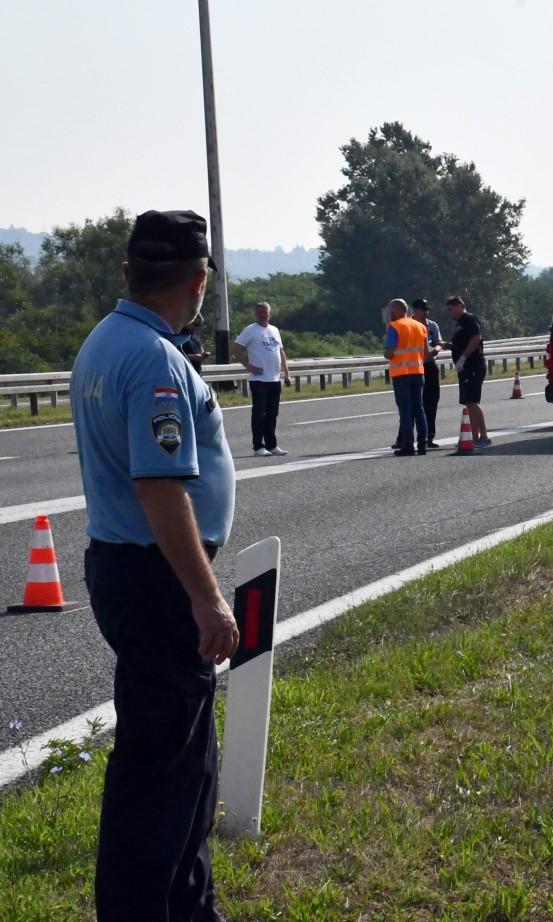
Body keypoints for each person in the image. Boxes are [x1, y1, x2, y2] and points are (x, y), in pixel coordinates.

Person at [69, 209, 239, 922]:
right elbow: (160, 487)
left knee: (186, 763)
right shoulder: (154, 360)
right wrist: (206, 599)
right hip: (158, 577)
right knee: (160, 773)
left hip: (128, 568)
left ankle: (188, 908)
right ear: (198, 280)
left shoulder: (107, 341)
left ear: (128, 273)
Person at [233, 301, 290, 456]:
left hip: (274, 379)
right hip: (259, 380)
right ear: (255, 314)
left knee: (272, 414)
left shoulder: (274, 330)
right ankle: (258, 446)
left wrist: (287, 373)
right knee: (259, 413)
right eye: (259, 312)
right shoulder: (250, 330)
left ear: (269, 313)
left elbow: (281, 352)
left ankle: (272, 445)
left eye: (264, 311)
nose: (262, 314)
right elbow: (236, 348)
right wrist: (248, 366)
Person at [385, 298, 429, 455]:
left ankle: (408, 445)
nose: (389, 314)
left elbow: (390, 352)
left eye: (391, 311)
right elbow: (426, 353)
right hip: (418, 371)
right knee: (419, 409)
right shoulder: (420, 326)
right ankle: (423, 445)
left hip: (401, 374)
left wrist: (387, 353)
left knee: (405, 411)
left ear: (396, 310)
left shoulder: (394, 326)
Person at [446, 295, 490, 449]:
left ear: (460, 305)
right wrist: (449, 346)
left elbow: (476, 338)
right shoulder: (460, 323)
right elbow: (461, 342)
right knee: (469, 402)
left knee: (472, 401)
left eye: (451, 309)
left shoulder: (469, 319)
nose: (450, 313)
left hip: (473, 365)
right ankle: (475, 435)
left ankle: (483, 435)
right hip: (466, 367)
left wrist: (463, 357)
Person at [411, 298, 443, 447]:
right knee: (412, 404)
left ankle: (429, 436)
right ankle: (405, 437)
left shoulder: (432, 325)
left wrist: (436, 349)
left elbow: (438, 343)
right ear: (415, 311)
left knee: (431, 401)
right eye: (423, 310)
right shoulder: (408, 326)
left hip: (430, 365)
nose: (426, 313)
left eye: (427, 310)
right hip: (414, 367)